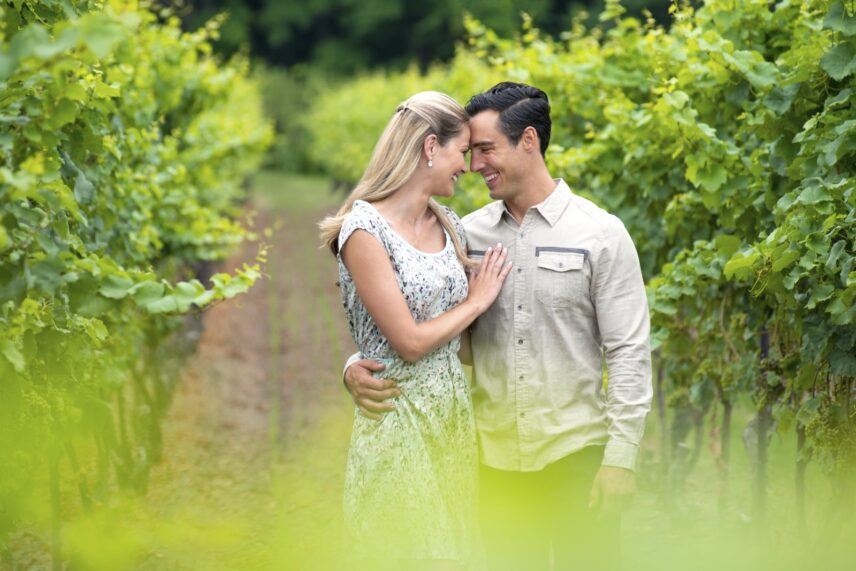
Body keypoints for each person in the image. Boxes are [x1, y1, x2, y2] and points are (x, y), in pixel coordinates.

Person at [344, 82, 653, 570]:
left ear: (528, 141)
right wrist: (354, 365)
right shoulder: (463, 232)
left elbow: (629, 352)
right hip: (490, 464)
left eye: (486, 149)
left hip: (577, 454)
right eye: (469, 151)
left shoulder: (602, 235)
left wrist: (620, 458)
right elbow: (416, 314)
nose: (474, 165)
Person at [319, 91, 512, 571]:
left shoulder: (449, 225)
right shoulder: (364, 230)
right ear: (430, 147)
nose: (466, 166)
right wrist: (476, 301)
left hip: (450, 421)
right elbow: (405, 342)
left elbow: (462, 348)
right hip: (398, 419)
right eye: (459, 151)